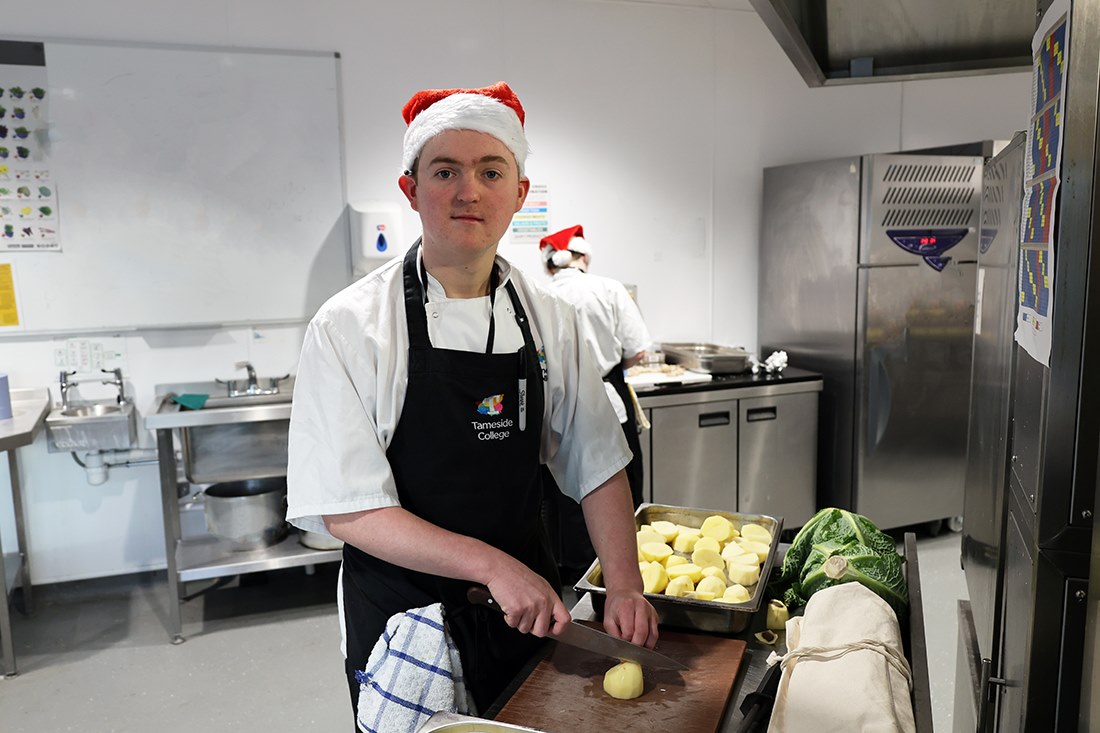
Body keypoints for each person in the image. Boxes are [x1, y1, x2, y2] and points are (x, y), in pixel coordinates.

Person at [285, 82, 658, 724]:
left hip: (528, 610)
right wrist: (490, 566)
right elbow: (350, 507)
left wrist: (623, 583)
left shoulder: (551, 318)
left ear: (519, 191)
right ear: (411, 190)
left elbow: (597, 459)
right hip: (406, 619)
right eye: (445, 172)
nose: (469, 191)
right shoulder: (351, 326)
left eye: (491, 171)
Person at [539, 226, 652, 581]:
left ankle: (576, 576)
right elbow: (638, 351)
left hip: (552, 409)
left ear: (549, 265)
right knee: (618, 484)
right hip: (608, 401)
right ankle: (622, 574)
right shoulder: (609, 289)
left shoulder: (537, 294)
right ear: (584, 257)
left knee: (565, 496)